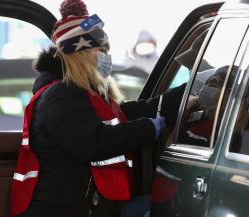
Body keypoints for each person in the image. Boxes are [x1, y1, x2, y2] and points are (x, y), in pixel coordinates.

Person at [10, 1, 185, 217]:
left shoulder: (82, 95)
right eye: (98, 49)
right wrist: (148, 128)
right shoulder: (60, 95)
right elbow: (93, 143)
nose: (104, 57)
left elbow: (126, 114)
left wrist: (187, 94)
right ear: (78, 53)